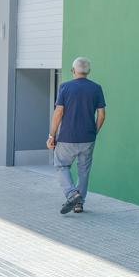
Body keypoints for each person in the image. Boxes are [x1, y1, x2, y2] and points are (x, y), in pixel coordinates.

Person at [47, 57, 107, 215]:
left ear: (73, 70)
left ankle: (72, 194)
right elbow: (101, 114)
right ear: (89, 71)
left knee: (61, 165)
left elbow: (58, 112)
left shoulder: (65, 87)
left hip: (67, 137)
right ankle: (79, 204)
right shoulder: (96, 88)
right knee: (84, 170)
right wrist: (94, 131)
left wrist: (51, 135)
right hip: (88, 137)